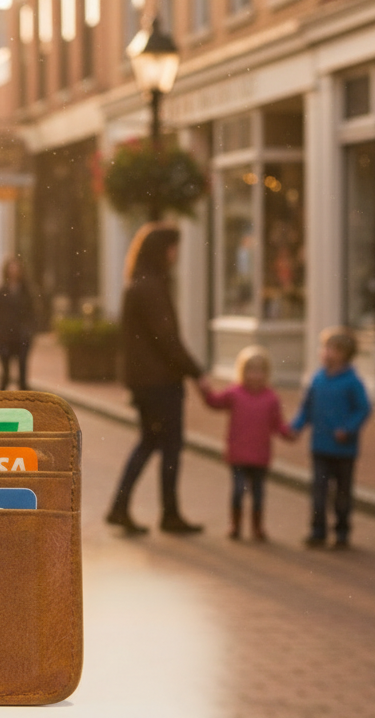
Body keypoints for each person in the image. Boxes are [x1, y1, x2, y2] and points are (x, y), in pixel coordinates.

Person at [105, 222, 209, 536]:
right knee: (169, 446)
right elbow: (167, 339)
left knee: (151, 442)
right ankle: (166, 513)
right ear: (162, 251)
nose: (176, 254)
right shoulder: (150, 287)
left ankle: (123, 507)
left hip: (146, 380)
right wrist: (196, 372)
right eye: (173, 247)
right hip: (160, 382)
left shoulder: (138, 283)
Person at [289, 326, 373, 549]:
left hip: (344, 449)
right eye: (325, 348)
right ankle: (318, 531)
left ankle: (342, 531)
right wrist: (295, 427)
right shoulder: (317, 380)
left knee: (342, 494)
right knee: (319, 492)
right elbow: (307, 408)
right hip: (320, 447)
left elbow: (363, 409)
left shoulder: (352, 382)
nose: (326, 353)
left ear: (345, 354)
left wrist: (348, 428)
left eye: (332, 349)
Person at [199, 346, 294, 541]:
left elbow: (278, 425)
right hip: (238, 455)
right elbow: (215, 402)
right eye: (250, 371)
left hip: (260, 456)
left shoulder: (271, 398)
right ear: (242, 372)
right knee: (238, 491)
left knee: (258, 494)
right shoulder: (234, 393)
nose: (255, 376)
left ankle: (257, 527)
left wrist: (290, 433)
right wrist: (205, 391)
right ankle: (235, 525)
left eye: (260, 371)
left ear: (266, 374)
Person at [0, 258, 37, 390]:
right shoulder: (0, 291)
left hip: (22, 337)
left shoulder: (27, 292)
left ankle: (24, 404)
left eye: (16, 268)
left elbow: (33, 313)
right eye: (11, 268)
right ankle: (1, 404)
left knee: (22, 373)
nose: (14, 272)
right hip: (5, 337)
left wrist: (30, 330)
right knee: (5, 374)